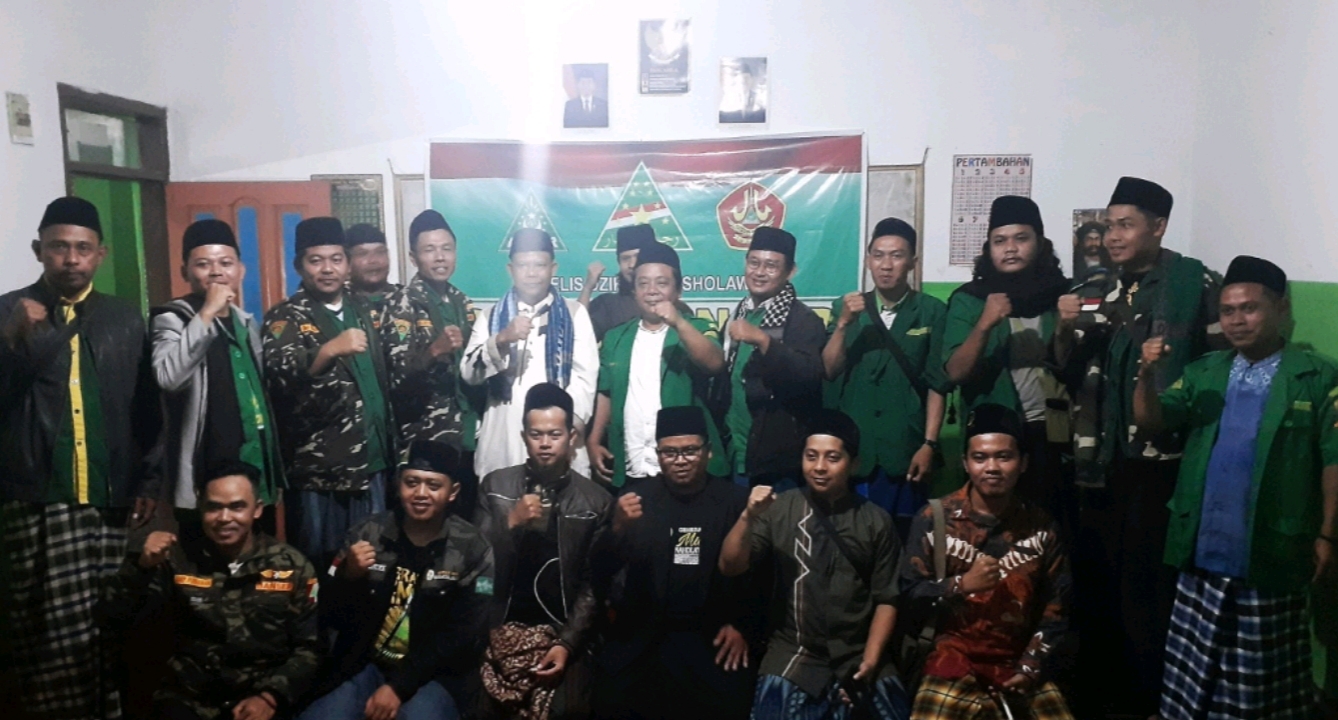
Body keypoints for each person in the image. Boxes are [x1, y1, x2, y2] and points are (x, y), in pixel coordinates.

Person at [1132, 256, 1336, 720]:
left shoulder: (1317, 377)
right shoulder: (1206, 372)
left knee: (1261, 673)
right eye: (1227, 311)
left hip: (1271, 546)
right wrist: (1144, 375)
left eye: (1249, 308)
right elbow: (1153, 421)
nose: (1237, 321)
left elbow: (1334, 459)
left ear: (1281, 308)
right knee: (1193, 665)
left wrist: (1328, 533)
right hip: (1203, 542)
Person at [1054, 177, 1225, 717]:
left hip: (1160, 462)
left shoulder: (1196, 284)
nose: (1112, 236)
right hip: (1097, 459)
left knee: (1147, 588)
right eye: (1109, 226)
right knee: (1097, 580)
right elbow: (1065, 367)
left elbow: (1217, 369)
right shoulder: (1097, 286)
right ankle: (1099, 693)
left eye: (1126, 225)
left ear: (1159, 226)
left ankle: (1145, 697)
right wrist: (1062, 328)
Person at [0, 196, 161, 720]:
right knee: (41, 630)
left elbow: (147, 407)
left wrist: (149, 479)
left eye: (83, 249)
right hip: (34, 497)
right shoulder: (6, 311)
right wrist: (12, 338)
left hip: (107, 493)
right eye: (59, 247)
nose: (71, 259)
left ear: (101, 254)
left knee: (103, 622)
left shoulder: (123, 317)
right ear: (38, 250)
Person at [720, 410, 909, 720]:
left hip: (859, 650)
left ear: (854, 464)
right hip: (793, 654)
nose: (819, 467)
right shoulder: (779, 508)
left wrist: (871, 661)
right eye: (811, 456)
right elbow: (730, 566)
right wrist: (747, 517)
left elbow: (887, 598)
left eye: (832, 458)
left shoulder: (876, 521)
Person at [106, 460, 321, 720]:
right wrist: (141, 566)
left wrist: (270, 696)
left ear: (257, 509)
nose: (224, 518)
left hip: (262, 697)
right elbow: (115, 614)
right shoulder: (177, 559)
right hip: (189, 698)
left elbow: (310, 648)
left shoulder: (292, 566)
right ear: (201, 508)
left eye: (237, 507)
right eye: (214, 507)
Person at [900, 404, 1074, 720]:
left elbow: (1056, 610)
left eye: (1003, 457)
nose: (991, 467)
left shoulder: (1042, 527)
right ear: (965, 463)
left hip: (1016, 662)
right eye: (980, 458)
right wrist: (960, 584)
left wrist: (1029, 668)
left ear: (1023, 463)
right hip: (950, 661)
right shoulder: (934, 519)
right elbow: (907, 595)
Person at [300, 440, 495, 720]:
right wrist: (347, 576)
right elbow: (329, 613)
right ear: (398, 485)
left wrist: (399, 686)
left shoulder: (472, 547)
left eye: (433, 486)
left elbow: (463, 634)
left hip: (433, 674)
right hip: (363, 664)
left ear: (452, 492)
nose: (421, 493)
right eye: (411, 483)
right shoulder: (368, 532)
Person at [593, 406, 755, 720]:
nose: (680, 460)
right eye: (669, 452)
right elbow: (599, 570)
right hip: (645, 637)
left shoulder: (735, 501)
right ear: (658, 454)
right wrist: (618, 527)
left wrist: (741, 625)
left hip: (709, 637)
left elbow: (760, 576)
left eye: (690, 450)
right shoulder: (635, 498)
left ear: (708, 451)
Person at [473, 383, 611, 719]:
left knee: (569, 709)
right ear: (524, 437)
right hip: (497, 625)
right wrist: (510, 523)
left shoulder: (596, 501)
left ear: (572, 437)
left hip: (561, 630)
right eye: (536, 435)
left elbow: (593, 587)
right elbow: (474, 567)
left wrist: (566, 644)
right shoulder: (495, 486)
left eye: (554, 434)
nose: (545, 443)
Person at [263, 216, 395, 567]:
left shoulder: (363, 309)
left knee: (372, 563)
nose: (327, 269)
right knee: (318, 568)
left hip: (372, 463)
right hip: (319, 473)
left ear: (347, 264)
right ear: (299, 266)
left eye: (336, 259)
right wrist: (328, 350)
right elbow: (278, 375)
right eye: (316, 260)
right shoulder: (286, 316)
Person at [942, 196, 1073, 537]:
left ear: (1040, 243)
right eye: (1000, 241)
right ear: (989, 248)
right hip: (994, 436)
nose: (1010, 248)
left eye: (1021, 238)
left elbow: (1071, 366)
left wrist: (1065, 328)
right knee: (991, 533)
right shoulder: (970, 299)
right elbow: (954, 372)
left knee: (1047, 533)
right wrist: (984, 324)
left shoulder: (1063, 295)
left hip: (1051, 435)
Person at [824, 217, 951, 538]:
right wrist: (843, 324)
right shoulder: (846, 307)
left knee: (908, 539)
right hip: (857, 449)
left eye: (896, 256)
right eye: (878, 255)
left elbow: (938, 383)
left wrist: (929, 444)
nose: (886, 265)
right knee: (854, 538)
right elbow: (829, 369)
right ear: (868, 260)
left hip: (906, 447)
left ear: (912, 262)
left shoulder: (932, 310)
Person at [151, 218, 283, 522]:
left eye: (226, 263)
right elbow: (168, 378)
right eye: (203, 264)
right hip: (206, 466)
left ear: (241, 270)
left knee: (259, 547)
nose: (216, 272)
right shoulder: (171, 318)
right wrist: (208, 311)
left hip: (254, 461)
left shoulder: (247, 322)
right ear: (185, 272)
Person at [588, 241, 728, 488]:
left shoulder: (697, 327)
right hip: (632, 466)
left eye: (661, 283)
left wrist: (678, 323)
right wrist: (594, 439)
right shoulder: (615, 337)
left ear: (678, 290)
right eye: (643, 284)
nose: (651, 291)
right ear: (634, 291)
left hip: (686, 468)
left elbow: (714, 364)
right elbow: (606, 392)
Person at [462, 228, 598, 479]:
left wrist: (561, 432)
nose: (532, 273)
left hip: (557, 444)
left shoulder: (575, 314)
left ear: (553, 268)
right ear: (510, 269)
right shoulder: (490, 316)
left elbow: (585, 382)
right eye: (523, 265)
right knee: (502, 498)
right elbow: (469, 374)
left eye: (539, 265)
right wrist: (502, 339)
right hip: (503, 440)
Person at [719, 226, 825, 490]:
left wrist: (764, 341)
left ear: (790, 271)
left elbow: (809, 376)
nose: (759, 272)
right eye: (754, 263)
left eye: (771, 265)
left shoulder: (803, 320)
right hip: (734, 450)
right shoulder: (738, 313)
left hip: (777, 460)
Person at [382, 210, 479, 452]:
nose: (440, 257)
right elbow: (396, 378)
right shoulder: (402, 303)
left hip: (467, 430)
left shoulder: (462, 302)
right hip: (426, 434)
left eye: (447, 249)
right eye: (429, 250)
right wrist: (434, 351)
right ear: (413, 258)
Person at [580, 224, 653, 341]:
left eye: (637, 257)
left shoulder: (672, 305)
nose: (632, 265)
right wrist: (587, 288)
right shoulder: (608, 305)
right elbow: (576, 335)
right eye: (625, 259)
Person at [345, 223, 400, 320]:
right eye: (362, 254)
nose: (373, 260)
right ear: (347, 261)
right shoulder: (339, 302)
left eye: (380, 252)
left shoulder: (410, 299)